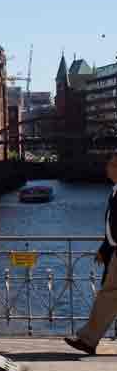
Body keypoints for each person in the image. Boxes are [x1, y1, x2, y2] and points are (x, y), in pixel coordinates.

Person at [65, 152, 117, 355]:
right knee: (109, 295)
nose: (108, 167)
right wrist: (105, 249)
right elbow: (112, 227)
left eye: (112, 164)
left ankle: (88, 340)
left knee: (109, 295)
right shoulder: (114, 192)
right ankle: (88, 339)